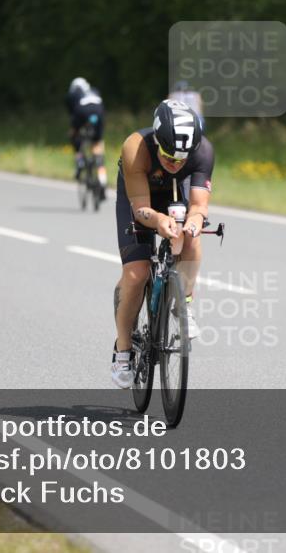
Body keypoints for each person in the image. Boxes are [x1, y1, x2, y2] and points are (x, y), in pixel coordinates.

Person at [110, 100, 214, 388]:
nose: (175, 164)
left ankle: (185, 305)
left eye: (182, 160)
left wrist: (194, 220)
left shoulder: (203, 150)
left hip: (174, 193)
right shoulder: (136, 147)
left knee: (192, 236)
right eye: (168, 157)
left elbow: (199, 205)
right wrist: (158, 221)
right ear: (157, 141)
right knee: (137, 272)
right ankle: (122, 351)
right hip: (140, 197)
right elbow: (141, 209)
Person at [66, 77, 107, 191]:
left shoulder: (73, 93)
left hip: (81, 110)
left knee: (75, 137)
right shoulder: (94, 90)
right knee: (97, 142)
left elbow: (72, 112)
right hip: (98, 110)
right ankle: (102, 179)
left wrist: (74, 130)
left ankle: (79, 161)